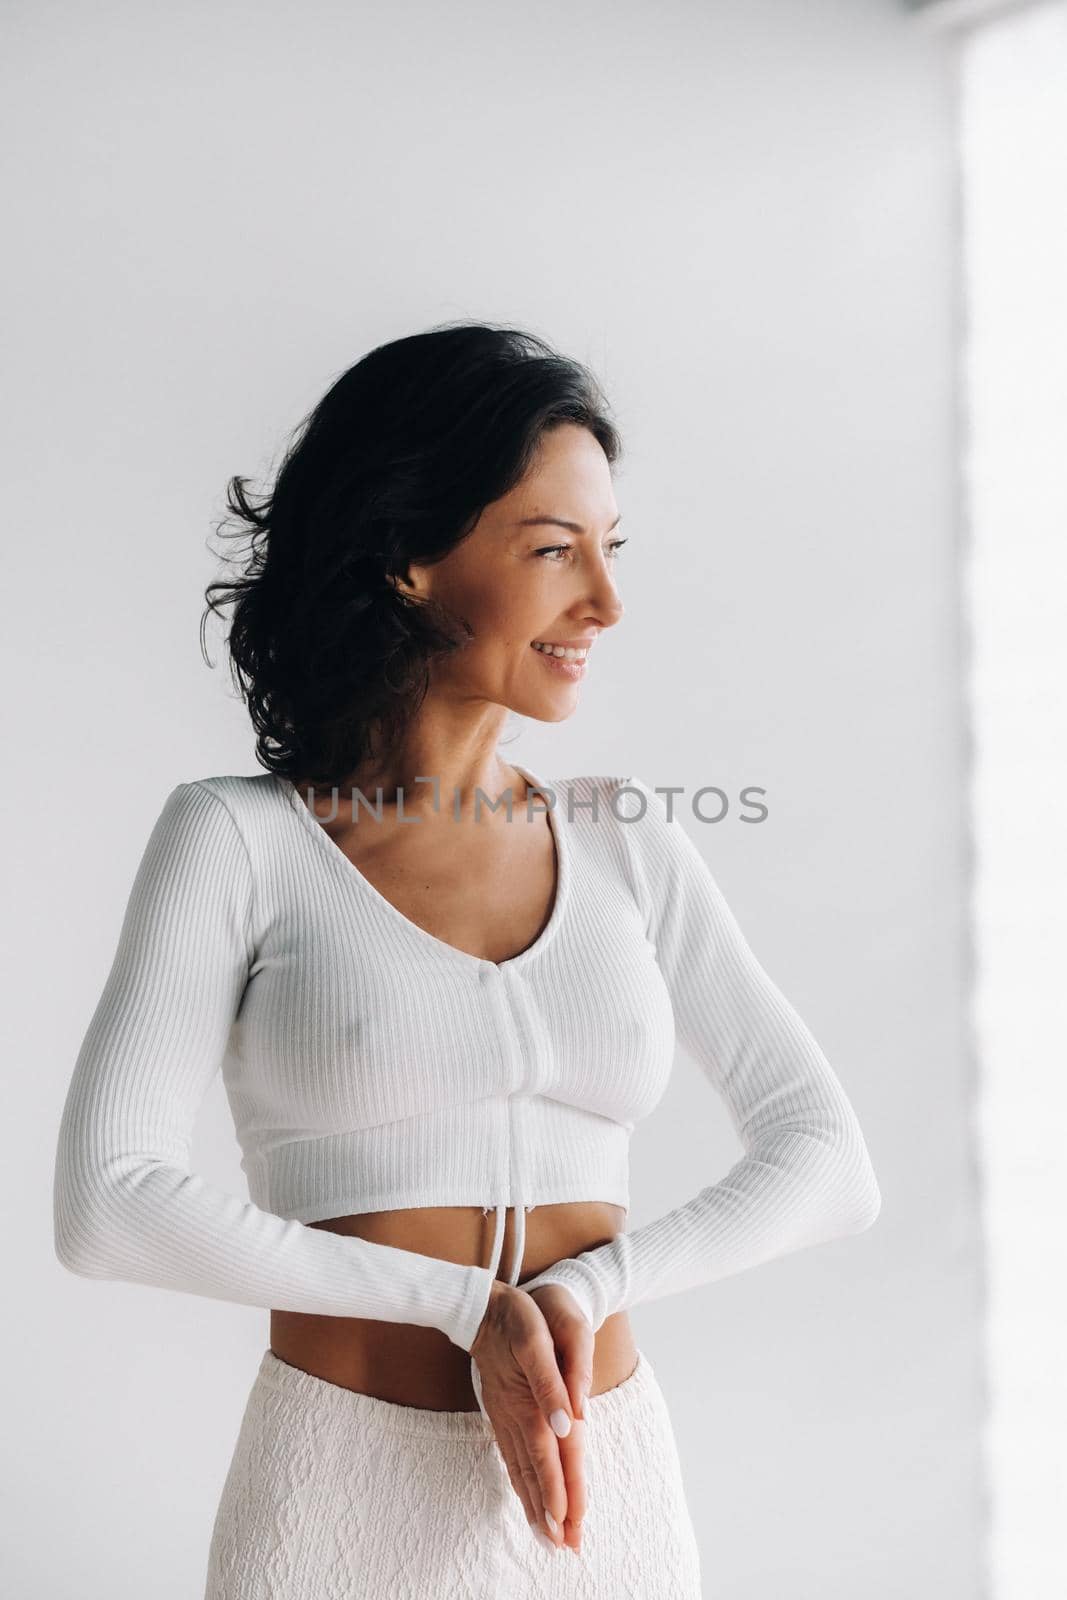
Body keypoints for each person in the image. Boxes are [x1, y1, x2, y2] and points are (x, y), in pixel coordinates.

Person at [52, 322, 881, 1598]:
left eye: (609, 549)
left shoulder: (625, 838)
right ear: (409, 561)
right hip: (340, 1484)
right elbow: (108, 1204)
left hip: (604, 1488)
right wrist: (460, 1306)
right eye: (552, 550)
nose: (603, 601)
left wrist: (581, 1292)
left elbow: (827, 1160)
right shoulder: (240, 840)